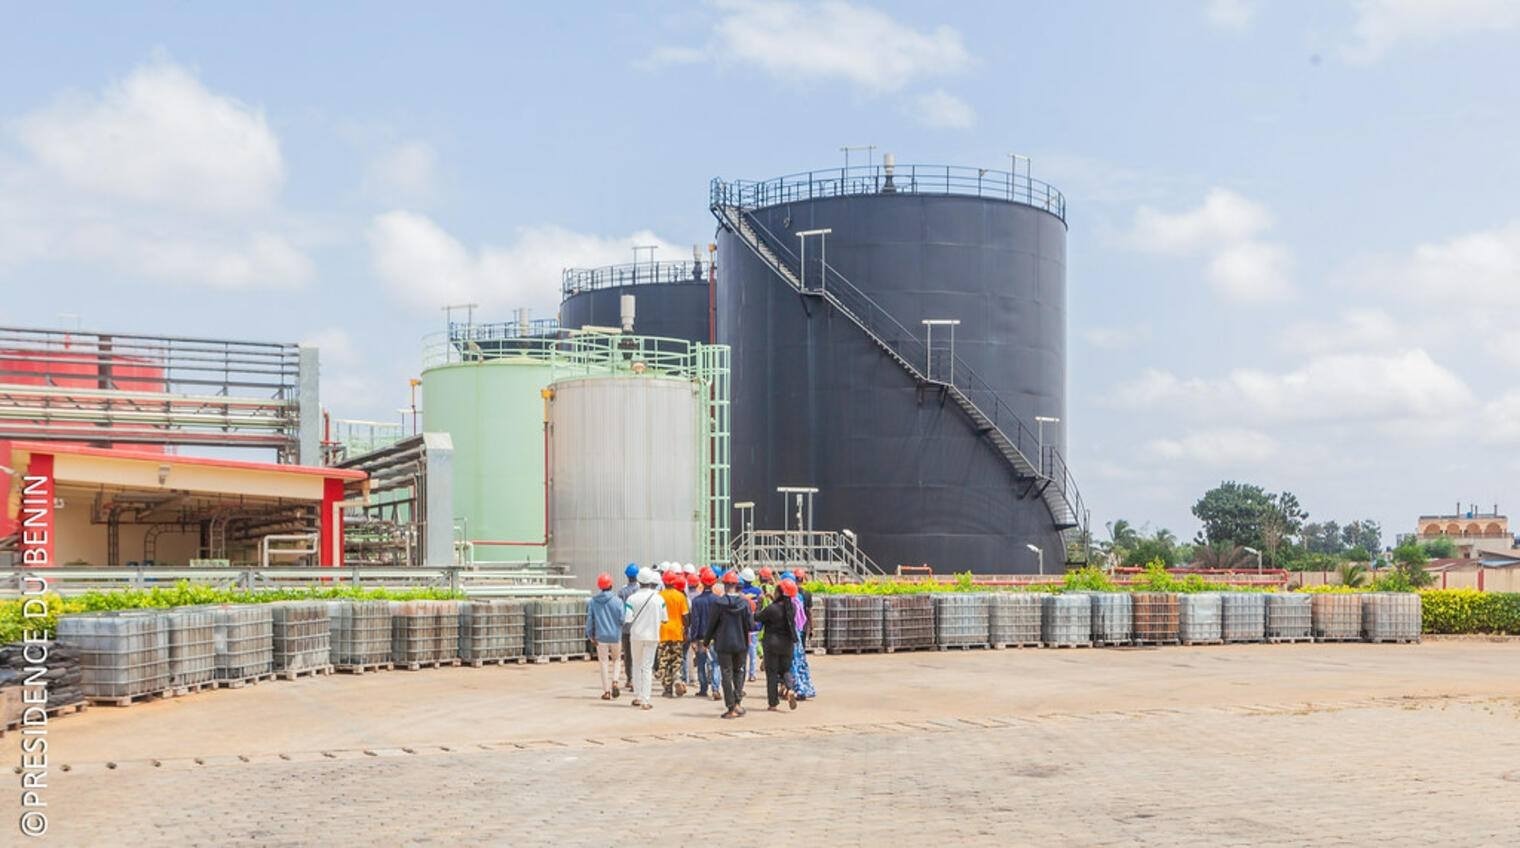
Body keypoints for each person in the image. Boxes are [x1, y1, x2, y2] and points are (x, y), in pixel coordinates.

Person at [704, 570, 754, 719]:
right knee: (739, 671)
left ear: (725, 585)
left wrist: (706, 641)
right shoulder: (744, 603)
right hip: (741, 643)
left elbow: (712, 624)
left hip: (724, 643)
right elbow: (751, 625)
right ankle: (738, 702)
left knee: (726, 673)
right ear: (737, 585)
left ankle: (730, 706)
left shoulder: (718, 603)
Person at [624, 568, 667, 710]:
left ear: (638, 581)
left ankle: (637, 696)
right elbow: (664, 619)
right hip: (653, 636)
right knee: (647, 667)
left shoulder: (631, 598)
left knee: (636, 664)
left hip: (636, 635)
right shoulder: (659, 599)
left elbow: (627, 619)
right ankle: (645, 700)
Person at [754, 577, 800, 711]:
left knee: (772, 673)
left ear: (779, 592)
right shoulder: (792, 608)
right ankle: (790, 689)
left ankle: (773, 703)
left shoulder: (772, 608)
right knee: (786, 669)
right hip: (788, 644)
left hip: (772, 643)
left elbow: (757, 617)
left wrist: (759, 603)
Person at [584, 572, 624, 700]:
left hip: (601, 637)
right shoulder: (618, 601)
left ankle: (606, 691)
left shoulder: (593, 602)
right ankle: (615, 681)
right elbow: (622, 619)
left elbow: (590, 620)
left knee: (603, 663)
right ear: (611, 584)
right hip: (615, 636)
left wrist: (591, 635)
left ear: (599, 586)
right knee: (617, 660)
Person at [687, 566, 722, 701]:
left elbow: (695, 621)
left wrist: (693, 639)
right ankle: (715, 688)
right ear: (713, 582)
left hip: (701, 637)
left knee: (701, 663)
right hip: (714, 637)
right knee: (715, 663)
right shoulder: (718, 600)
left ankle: (703, 689)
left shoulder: (697, 601)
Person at [657, 570, 690, 698]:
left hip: (663, 632)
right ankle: (677, 678)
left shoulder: (659, 596)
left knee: (664, 661)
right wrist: (686, 630)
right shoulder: (680, 596)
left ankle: (667, 689)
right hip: (677, 632)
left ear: (664, 582)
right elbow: (685, 616)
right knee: (676, 659)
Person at [617, 563, 640, 689]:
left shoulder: (622, 591)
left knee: (628, 655)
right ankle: (638, 678)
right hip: (639, 628)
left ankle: (630, 678)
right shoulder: (640, 590)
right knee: (638, 655)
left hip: (626, 628)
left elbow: (620, 610)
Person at [739, 568, 762, 682]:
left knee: (742, 652)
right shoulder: (758, 591)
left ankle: (741, 671)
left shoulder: (740, 592)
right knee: (753, 650)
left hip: (742, 626)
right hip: (754, 625)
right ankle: (752, 674)